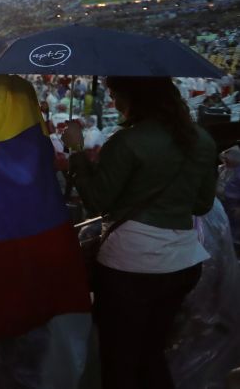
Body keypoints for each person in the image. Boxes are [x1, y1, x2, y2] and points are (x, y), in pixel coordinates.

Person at [62, 76, 217, 389]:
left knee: (120, 360)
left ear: (134, 98)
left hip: (130, 265)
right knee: (151, 353)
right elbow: (201, 205)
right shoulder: (202, 140)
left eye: (116, 95)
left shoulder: (127, 142)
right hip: (184, 261)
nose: (115, 103)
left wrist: (77, 152)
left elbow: (97, 201)